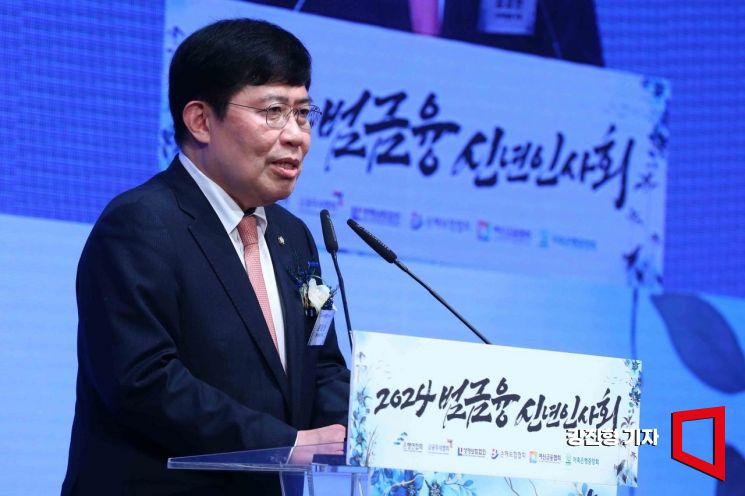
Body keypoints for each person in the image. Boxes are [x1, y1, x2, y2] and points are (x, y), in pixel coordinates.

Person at [61, 18, 350, 495]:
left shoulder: (292, 236)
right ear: (200, 120)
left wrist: (363, 433)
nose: (297, 135)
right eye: (274, 111)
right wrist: (285, 444)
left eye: (303, 113)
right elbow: (143, 381)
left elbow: (322, 365)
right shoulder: (140, 223)